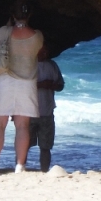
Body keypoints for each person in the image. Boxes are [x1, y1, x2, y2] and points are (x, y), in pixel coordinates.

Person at [0, 0, 44, 172]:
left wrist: (8, 26)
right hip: (27, 83)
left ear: (12, 15)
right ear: (30, 15)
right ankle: (20, 165)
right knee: (22, 126)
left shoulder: (5, 32)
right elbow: (38, 52)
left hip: (4, 80)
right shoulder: (38, 36)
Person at [30, 44, 65, 172]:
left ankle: (44, 170)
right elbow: (21, 86)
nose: (44, 53)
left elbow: (61, 85)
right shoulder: (28, 65)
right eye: (41, 50)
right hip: (29, 111)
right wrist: (40, 84)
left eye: (46, 50)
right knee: (24, 144)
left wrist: (52, 85)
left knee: (46, 146)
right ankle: (20, 167)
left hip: (47, 111)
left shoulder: (52, 65)